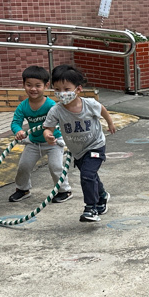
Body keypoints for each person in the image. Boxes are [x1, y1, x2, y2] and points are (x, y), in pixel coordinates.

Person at [42, 65, 118, 223]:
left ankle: (91, 208)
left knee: (87, 175)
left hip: (95, 145)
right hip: (78, 150)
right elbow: (48, 128)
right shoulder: (56, 110)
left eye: (66, 89)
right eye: (57, 89)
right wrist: (48, 135)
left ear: (78, 89)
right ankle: (102, 196)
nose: (62, 93)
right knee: (91, 175)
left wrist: (110, 123)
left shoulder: (89, 104)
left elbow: (102, 109)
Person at [8, 66, 73, 204]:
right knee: (24, 166)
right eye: (29, 85)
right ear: (23, 85)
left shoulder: (51, 105)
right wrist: (18, 131)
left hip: (53, 142)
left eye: (38, 85)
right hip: (33, 142)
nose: (33, 89)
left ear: (46, 86)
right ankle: (23, 189)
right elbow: (15, 122)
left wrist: (55, 135)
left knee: (55, 167)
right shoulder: (23, 106)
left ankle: (64, 191)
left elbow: (60, 121)